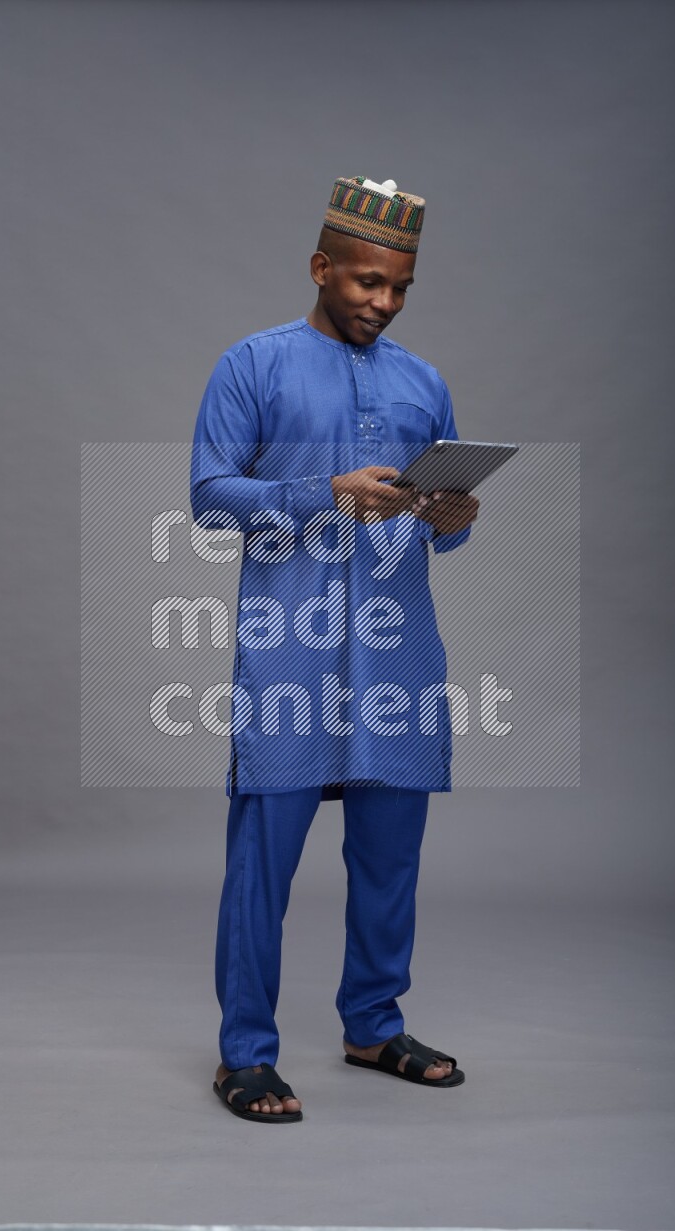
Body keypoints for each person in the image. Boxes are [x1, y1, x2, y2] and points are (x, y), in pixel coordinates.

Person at [190, 175, 479, 1123]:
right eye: (364, 282)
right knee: (262, 863)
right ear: (322, 267)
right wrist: (326, 491)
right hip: (290, 651)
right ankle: (245, 1053)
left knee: (390, 857)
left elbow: (440, 524)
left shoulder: (422, 381)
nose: (381, 302)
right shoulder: (253, 365)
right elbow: (209, 494)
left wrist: (455, 514)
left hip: (397, 658)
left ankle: (372, 1024)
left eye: (397, 287)